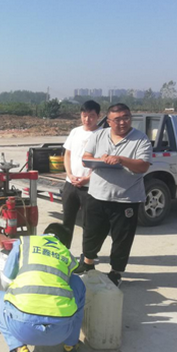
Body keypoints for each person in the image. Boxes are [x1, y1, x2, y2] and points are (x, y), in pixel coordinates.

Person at [0, 223, 86, 352]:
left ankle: (19, 351)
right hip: (61, 331)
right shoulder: (66, 254)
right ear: (64, 243)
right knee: (77, 283)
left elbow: (6, 281)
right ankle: (71, 346)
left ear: (44, 233)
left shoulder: (24, 242)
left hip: (22, 328)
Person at [74, 103, 152, 287]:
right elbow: (86, 158)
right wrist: (99, 160)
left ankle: (116, 272)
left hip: (126, 198)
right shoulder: (98, 135)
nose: (122, 122)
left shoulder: (141, 139)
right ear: (108, 121)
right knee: (91, 232)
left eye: (126, 118)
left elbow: (143, 166)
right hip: (97, 194)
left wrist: (121, 160)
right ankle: (88, 263)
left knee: (122, 239)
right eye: (117, 119)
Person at [61, 100, 101, 248]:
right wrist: (69, 174)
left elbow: (102, 162)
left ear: (98, 116)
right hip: (70, 184)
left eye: (91, 116)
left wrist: (88, 179)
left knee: (89, 223)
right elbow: (68, 155)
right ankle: (64, 252)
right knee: (67, 221)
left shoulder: (102, 134)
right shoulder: (75, 132)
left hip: (90, 187)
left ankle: (87, 255)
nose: (87, 119)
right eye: (84, 115)